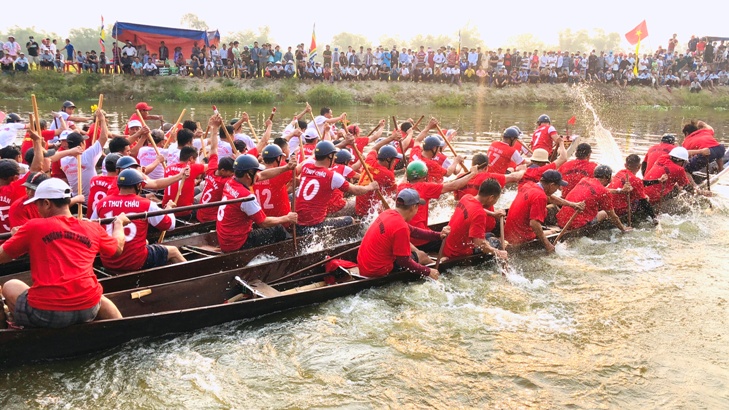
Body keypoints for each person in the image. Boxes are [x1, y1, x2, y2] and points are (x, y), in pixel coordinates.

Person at [0, 178, 126, 328]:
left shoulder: (33, 227)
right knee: (99, 297)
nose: (37, 209)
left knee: (10, 285)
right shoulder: (93, 227)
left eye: (37, 204)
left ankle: (24, 329)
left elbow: (2, 256)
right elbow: (118, 249)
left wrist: (16, 238)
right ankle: (123, 328)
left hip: (45, 314)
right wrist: (119, 224)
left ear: (47, 203)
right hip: (89, 309)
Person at [92, 169, 185, 272]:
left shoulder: (102, 203)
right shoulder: (146, 204)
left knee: (146, 241)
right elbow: (170, 225)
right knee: (173, 251)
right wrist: (169, 209)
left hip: (108, 261)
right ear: (139, 186)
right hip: (135, 262)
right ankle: (194, 274)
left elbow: (92, 227)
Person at [216, 154, 297, 253]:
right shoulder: (246, 197)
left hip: (226, 240)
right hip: (237, 244)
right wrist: (287, 218)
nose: (258, 174)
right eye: (256, 172)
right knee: (278, 229)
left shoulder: (231, 181)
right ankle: (292, 253)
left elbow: (263, 175)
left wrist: (286, 168)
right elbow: (263, 222)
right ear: (248, 175)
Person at [295, 141, 379, 235]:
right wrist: (370, 187)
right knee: (350, 220)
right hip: (315, 225)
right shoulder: (332, 176)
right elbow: (356, 191)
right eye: (334, 155)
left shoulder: (306, 165)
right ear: (330, 156)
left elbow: (313, 156)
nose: (335, 158)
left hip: (297, 222)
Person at [357, 189, 442, 280]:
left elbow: (415, 232)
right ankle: (438, 268)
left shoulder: (387, 213)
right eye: (418, 207)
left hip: (363, 265)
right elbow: (404, 261)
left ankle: (436, 264)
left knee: (417, 253)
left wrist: (439, 235)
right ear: (413, 207)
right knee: (422, 256)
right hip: (377, 271)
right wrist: (428, 271)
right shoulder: (401, 227)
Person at [397, 161, 476, 251]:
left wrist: (408, 171)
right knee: (458, 242)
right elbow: (454, 186)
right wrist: (473, 173)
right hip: (421, 240)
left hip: (407, 237)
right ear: (425, 176)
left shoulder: (401, 187)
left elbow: (405, 178)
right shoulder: (425, 187)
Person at [505, 170, 569, 253]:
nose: (559, 189)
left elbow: (549, 198)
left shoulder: (528, 185)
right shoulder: (540, 196)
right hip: (521, 236)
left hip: (509, 232)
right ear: (551, 185)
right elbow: (534, 224)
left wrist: (571, 204)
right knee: (553, 232)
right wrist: (548, 245)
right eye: (558, 186)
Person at [443, 179, 508, 260]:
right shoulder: (479, 214)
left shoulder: (466, 197)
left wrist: (493, 214)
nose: (495, 202)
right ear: (491, 198)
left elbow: (475, 210)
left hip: (447, 246)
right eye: (496, 199)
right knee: (496, 243)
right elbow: (479, 244)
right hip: (457, 253)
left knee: (489, 235)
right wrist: (499, 253)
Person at [556, 165, 632, 232]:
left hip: (561, 220)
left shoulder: (584, 180)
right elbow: (613, 216)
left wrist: (620, 191)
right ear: (606, 177)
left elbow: (600, 190)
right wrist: (623, 228)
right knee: (605, 213)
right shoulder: (604, 192)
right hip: (575, 224)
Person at [608, 154, 660, 223]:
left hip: (608, 205)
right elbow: (643, 202)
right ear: (639, 166)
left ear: (625, 165)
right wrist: (654, 217)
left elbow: (640, 182)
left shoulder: (621, 172)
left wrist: (658, 181)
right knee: (646, 198)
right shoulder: (636, 180)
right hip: (619, 209)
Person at [355, 144, 402, 217]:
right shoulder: (387, 174)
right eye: (394, 160)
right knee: (391, 199)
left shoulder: (369, 160)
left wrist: (391, 138)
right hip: (368, 212)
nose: (394, 162)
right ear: (388, 159)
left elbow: (374, 148)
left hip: (359, 207)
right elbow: (396, 193)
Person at [454, 153, 522, 200]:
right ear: (486, 168)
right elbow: (515, 177)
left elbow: (456, 199)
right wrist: (523, 170)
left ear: (472, 165)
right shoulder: (489, 177)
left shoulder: (459, 177)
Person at [252, 144, 295, 219]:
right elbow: (299, 170)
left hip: (262, 218)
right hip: (281, 219)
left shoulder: (254, 174)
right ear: (278, 158)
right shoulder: (281, 173)